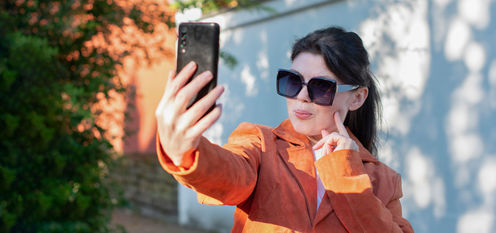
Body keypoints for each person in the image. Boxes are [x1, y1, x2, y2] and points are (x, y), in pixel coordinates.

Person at [155, 26, 414, 233]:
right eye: (292, 82)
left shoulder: (384, 181)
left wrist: (345, 173)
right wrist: (188, 154)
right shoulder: (261, 144)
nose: (301, 96)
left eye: (321, 87)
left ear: (356, 98)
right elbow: (230, 176)